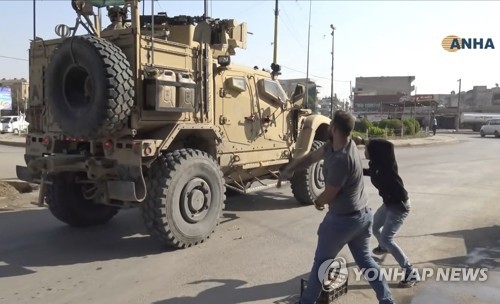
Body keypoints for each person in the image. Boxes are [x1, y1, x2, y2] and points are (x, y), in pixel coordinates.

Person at [279, 111, 394, 304]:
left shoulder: (341, 158)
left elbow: (330, 192)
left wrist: (318, 202)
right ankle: (387, 300)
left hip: (343, 221)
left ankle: (306, 301)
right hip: (363, 217)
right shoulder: (340, 145)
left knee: (321, 263)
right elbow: (310, 158)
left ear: (333, 128)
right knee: (366, 261)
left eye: (330, 124)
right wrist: (290, 169)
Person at [362, 138, 420, 288]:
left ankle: (410, 272)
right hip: (389, 204)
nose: (364, 151)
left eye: (367, 149)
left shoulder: (387, 165)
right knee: (373, 227)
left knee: (388, 238)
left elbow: (388, 145)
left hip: (400, 206)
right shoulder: (376, 166)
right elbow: (370, 172)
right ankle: (383, 247)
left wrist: (365, 140)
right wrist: (357, 170)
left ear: (375, 151)